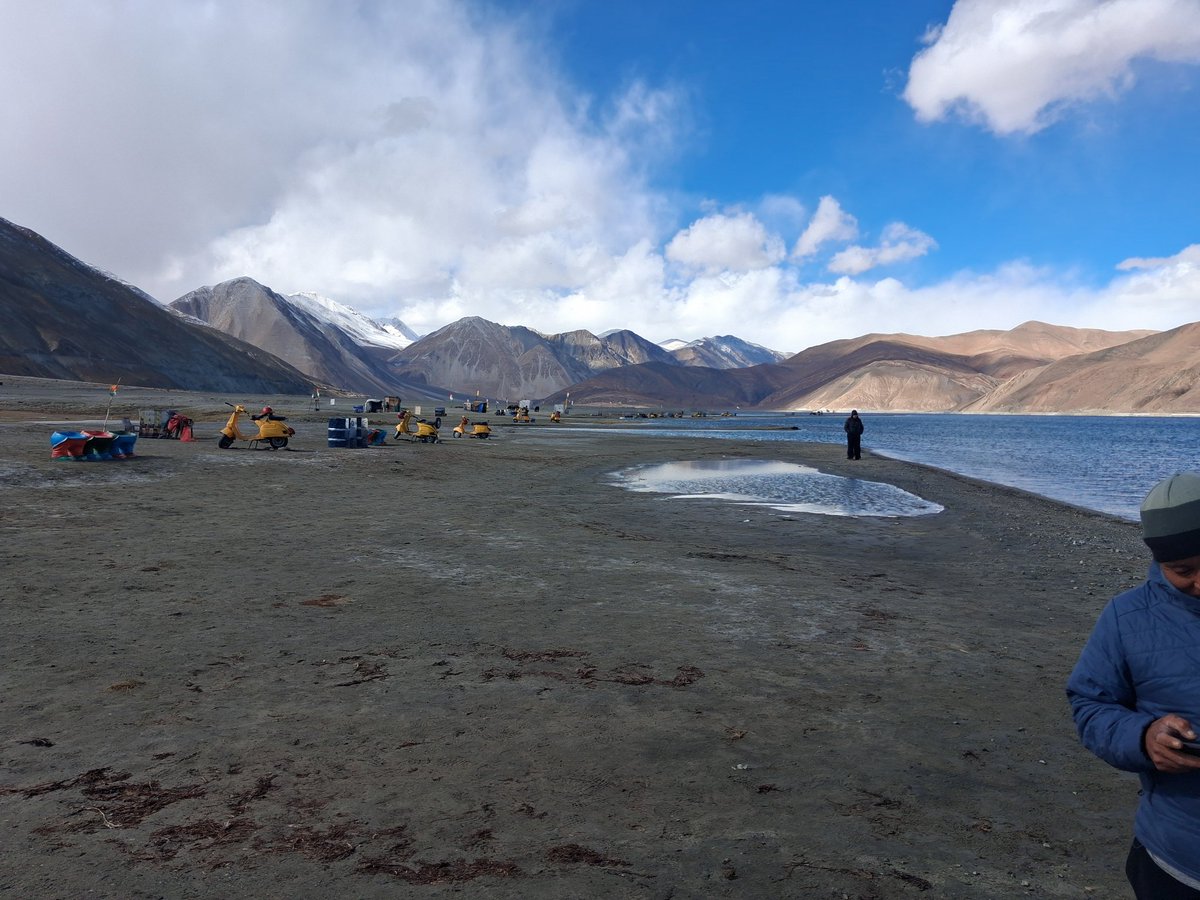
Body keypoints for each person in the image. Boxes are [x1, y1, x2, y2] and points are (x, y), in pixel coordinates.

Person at [1067, 472, 1200, 898]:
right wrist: (1145, 738)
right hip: (1177, 858)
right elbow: (1090, 704)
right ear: (1161, 562)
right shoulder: (1127, 617)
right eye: (1184, 570)